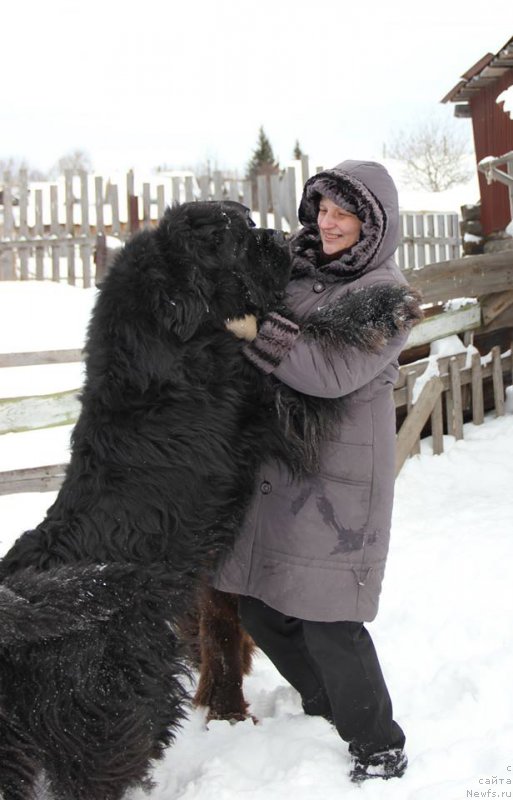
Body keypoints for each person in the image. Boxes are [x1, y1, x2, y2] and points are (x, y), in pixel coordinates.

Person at [213, 160, 421, 783]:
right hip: (281, 471)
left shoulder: (388, 298)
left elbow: (327, 372)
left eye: (343, 214)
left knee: (332, 619)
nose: (328, 224)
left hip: (336, 482)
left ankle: (379, 745)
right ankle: (327, 704)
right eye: (322, 210)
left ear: (372, 224)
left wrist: (254, 327)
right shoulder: (300, 272)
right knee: (258, 606)